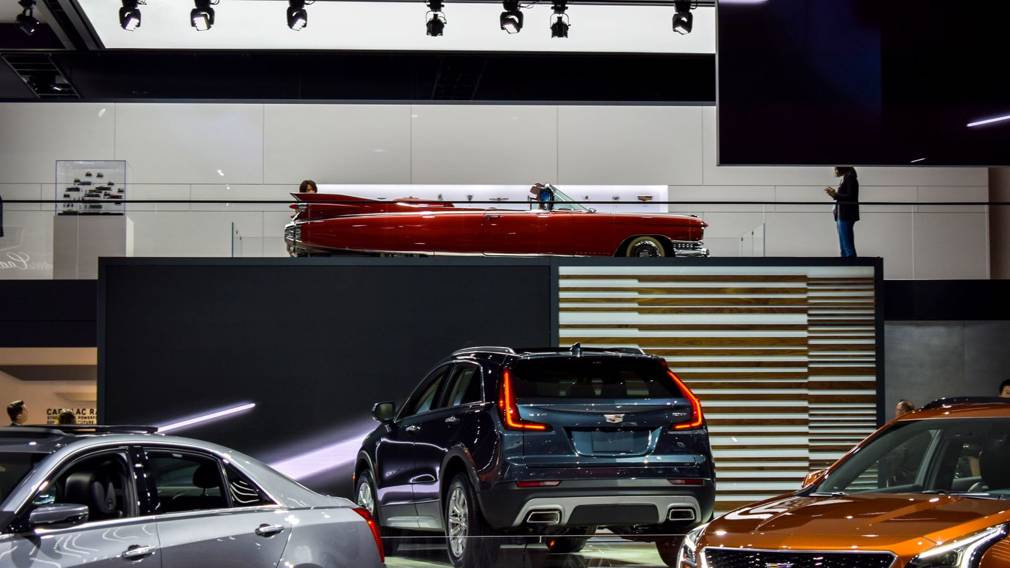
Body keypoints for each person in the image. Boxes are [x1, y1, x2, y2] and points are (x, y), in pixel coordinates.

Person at [824, 166, 860, 258]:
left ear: (842, 168)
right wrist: (835, 194)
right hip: (842, 215)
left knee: (847, 247)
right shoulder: (846, 178)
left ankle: (852, 265)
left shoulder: (850, 178)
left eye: (836, 169)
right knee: (844, 247)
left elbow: (850, 196)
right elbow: (846, 195)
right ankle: (847, 264)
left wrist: (835, 195)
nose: (835, 171)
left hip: (846, 215)